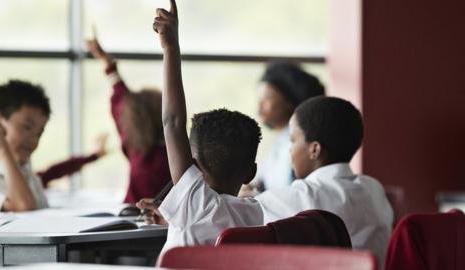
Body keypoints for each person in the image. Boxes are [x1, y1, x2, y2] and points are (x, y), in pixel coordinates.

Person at [136, 0, 263, 254]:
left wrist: (171, 47)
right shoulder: (255, 214)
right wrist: (175, 217)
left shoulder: (197, 206)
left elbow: (172, 122)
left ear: (193, 167)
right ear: (251, 173)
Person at [256, 96, 393, 268]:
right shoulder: (373, 189)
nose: (290, 149)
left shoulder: (303, 195)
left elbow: (238, 212)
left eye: (293, 140)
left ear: (314, 150)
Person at [86, 33, 171, 203]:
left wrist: (108, 64)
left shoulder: (135, 149)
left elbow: (121, 100)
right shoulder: (178, 156)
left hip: (133, 215)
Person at [255, 62, 324, 190]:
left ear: (289, 101)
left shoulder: (303, 145)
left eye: (267, 97)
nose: (259, 106)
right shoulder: (279, 142)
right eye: (259, 98)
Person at [0, 80, 50, 213]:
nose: (34, 140)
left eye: (39, 133)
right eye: (26, 127)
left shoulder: (24, 168)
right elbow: (23, 206)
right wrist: (3, 149)